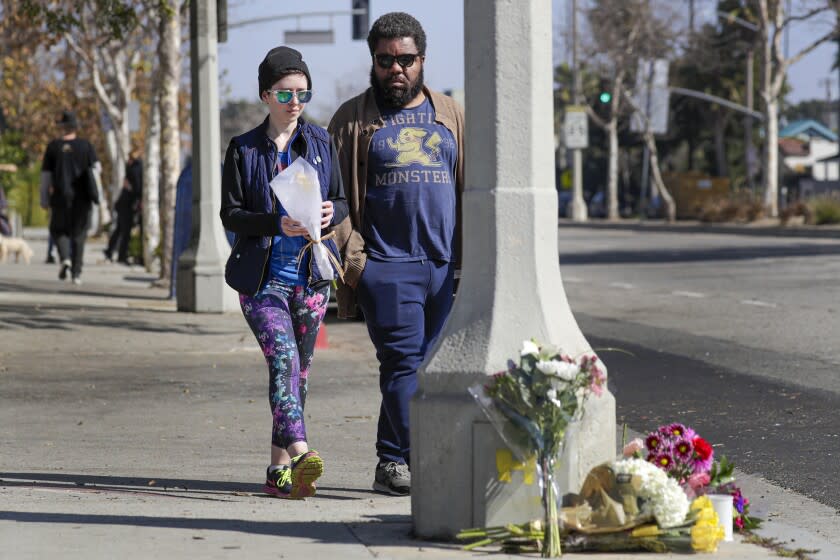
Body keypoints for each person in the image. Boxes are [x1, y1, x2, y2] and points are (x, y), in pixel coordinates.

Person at [328, 12, 465, 496]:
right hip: (386, 264)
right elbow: (332, 194)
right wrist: (356, 259)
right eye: (385, 61)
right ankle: (418, 463)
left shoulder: (449, 113)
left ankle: (390, 461)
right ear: (374, 62)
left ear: (421, 60)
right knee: (404, 364)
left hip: (443, 266)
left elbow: (467, 184)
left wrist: (467, 260)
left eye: (405, 59)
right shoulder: (352, 118)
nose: (396, 69)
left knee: (426, 368)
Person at [220, 46, 348, 499]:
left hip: (310, 277)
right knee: (283, 361)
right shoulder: (243, 150)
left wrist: (335, 210)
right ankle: (300, 450)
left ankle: (278, 474)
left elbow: (341, 197)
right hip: (261, 280)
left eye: (303, 92)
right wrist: (276, 223)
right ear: (265, 95)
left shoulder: (319, 142)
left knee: (299, 374)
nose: (295, 101)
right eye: (286, 92)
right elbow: (230, 215)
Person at [40, 110, 100, 285]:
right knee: (79, 235)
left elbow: (45, 177)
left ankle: (65, 257)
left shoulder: (53, 147)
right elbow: (96, 173)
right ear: (75, 128)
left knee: (59, 231)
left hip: (60, 197)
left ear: (62, 127)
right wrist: (98, 198)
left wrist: (44, 199)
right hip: (83, 199)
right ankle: (76, 273)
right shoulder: (86, 146)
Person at [104, 148, 142, 264]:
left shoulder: (132, 167)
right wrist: (139, 199)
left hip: (124, 203)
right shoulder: (136, 168)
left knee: (120, 229)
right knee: (124, 231)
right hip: (127, 204)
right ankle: (121, 255)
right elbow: (137, 188)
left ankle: (111, 252)